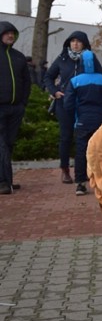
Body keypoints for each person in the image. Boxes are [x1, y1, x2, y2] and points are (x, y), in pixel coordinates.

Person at [44, 31, 102, 184]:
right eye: (72, 41)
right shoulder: (62, 58)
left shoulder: (90, 58)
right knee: (66, 136)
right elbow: (48, 77)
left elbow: (100, 77)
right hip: (64, 103)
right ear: (69, 43)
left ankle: (87, 170)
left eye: (79, 41)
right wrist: (54, 91)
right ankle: (65, 170)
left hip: (85, 105)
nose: (75, 44)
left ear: (84, 43)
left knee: (86, 138)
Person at [63, 51, 102, 196]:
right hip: (101, 121)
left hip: (82, 121)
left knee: (81, 152)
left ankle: (80, 183)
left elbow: (68, 104)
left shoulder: (75, 81)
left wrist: (74, 117)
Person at [0, 22, 31, 195]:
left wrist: (23, 103)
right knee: (2, 145)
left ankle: (7, 179)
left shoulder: (18, 56)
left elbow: (26, 82)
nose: (10, 36)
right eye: (7, 33)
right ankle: (3, 181)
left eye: (13, 33)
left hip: (15, 109)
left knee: (8, 144)